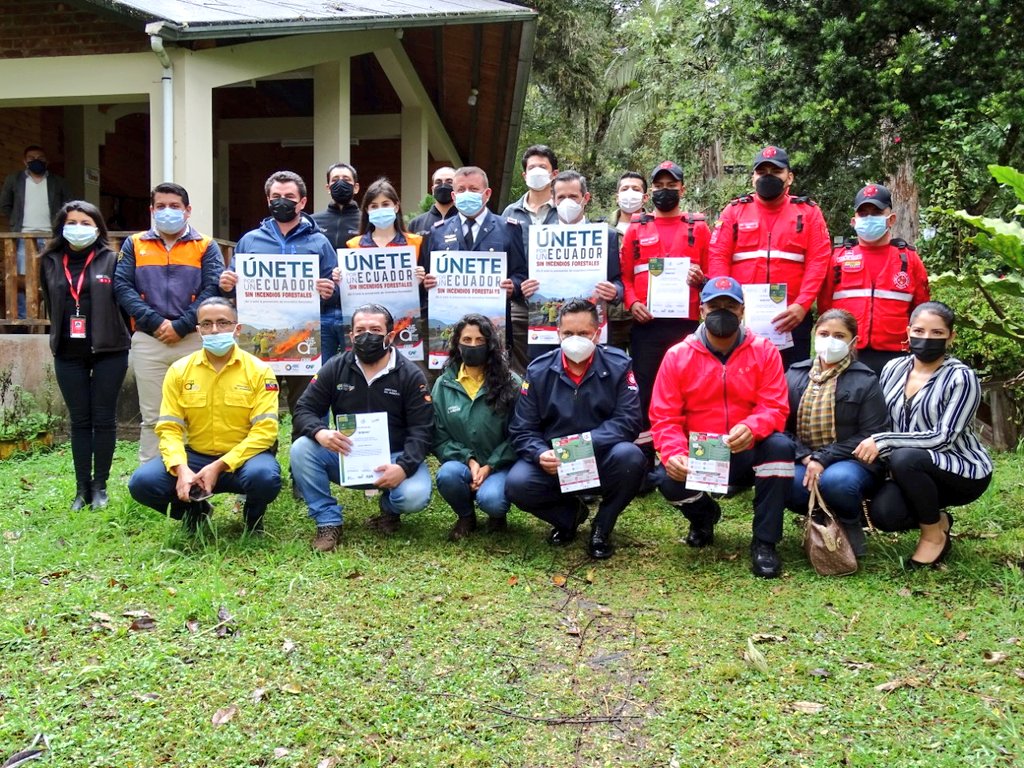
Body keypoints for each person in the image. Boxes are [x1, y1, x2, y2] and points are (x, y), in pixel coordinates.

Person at [650, 276, 793, 578]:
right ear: (701, 310)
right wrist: (674, 452)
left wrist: (753, 428)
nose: (723, 312)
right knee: (665, 477)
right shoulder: (678, 355)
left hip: (746, 449)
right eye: (715, 305)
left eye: (731, 306)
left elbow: (775, 406)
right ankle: (704, 518)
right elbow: (664, 416)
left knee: (780, 447)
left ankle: (764, 543)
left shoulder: (765, 351)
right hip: (700, 453)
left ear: (743, 311)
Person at [853, 301, 993, 568]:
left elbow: (944, 438)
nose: (926, 338)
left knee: (906, 458)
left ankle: (932, 535)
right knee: (885, 514)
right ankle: (939, 519)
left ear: (951, 337)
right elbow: (881, 419)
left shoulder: (961, 378)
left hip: (959, 469)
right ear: (908, 332)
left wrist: (883, 442)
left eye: (937, 333)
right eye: (919, 331)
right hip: (905, 468)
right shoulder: (893, 368)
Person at [127, 298, 282, 534]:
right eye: (207, 324)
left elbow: (266, 431)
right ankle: (194, 511)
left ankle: (253, 516)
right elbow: (169, 427)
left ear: (237, 329)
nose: (215, 330)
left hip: (244, 460)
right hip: (195, 457)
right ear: (198, 330)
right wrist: (181, 469)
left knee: (264, 477)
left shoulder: (260, 371)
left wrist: (219, 466)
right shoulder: (179, 371)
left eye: (223, 323)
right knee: (142, 484)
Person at [506, 299, 644, 559]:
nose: (575, 339)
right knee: (517, 484)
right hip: (555, 460)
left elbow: (629, 420)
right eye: (568, 333)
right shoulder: (538, 371)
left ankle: (602, 526)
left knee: (631, 458)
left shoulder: (618, 365)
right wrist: (539, 454)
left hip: (601, 454)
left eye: (583, 333)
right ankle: (570, 516)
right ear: (558, 333)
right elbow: (522, 428)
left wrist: (584, 444)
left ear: (597, 333)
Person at [289, 303, 433, 551]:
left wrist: (404, 466)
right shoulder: (335, 367)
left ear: (390, 336)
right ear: (352, 335)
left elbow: (423, 428)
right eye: (361, 329)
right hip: (348, 456)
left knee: (414, 495)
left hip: (396, 456)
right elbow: (303, 409)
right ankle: (328, 521)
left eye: (375, 329)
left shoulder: (410, 374)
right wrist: (320, 432)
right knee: (302, 448)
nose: (367, 335)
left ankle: (389, 509)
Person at [114, 182, 224, 463]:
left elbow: (212, 289)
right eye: (161, 206)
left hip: (192, 340)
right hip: (149, 341)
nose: (167, 211)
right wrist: (155, 322)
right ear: (151, 210)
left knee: (195, 412)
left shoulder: (206, 245)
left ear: (187, 211)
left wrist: (181, 325)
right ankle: (151, 482)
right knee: (153, 416)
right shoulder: (135, 243)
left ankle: (195, 482)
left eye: (175, 206)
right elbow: (122, 287)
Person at [219, 170, 339, 414]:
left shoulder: (319, 242)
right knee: (257, 408)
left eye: (289, 196)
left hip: (305, 341)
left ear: (302, 202)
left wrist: (329, 290)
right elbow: (231, 290)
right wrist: (227, 283)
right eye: (276, 196)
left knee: (307, 407)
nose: (281, 201)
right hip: (261, 341)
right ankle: (260, 452)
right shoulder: (249, 241)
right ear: (268, 200)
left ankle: (304, 451)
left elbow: (337, 291)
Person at [620, 161, 710, 482]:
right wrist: (632, 303)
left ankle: (683, 456)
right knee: (644, 388)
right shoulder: (636, 228)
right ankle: (644, 457)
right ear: (651, 191)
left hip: (685, 326)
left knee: (686, 389)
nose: (665, 191)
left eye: (672, 186)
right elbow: (626, 276)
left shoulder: (698, 228)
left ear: (682, 190)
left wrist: (702, 279)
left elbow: (713, 278)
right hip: (647, 324)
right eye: (659, 186)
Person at [39, 201, 131, 511]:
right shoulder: (49, 261)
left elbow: (123, 301)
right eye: (72, 222)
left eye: (85, 222)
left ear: (97, 228)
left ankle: (100, 487)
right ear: (61, 227)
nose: (78, 228)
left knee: (103, 419)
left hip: (110, 350)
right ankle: (81, 488)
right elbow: (50, 302)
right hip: (67, 351)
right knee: (79, 421)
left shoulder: (112, 259)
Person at [707, 145, 832, 367]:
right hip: (741, 318)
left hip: (792, 319)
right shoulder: (734, 211)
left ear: (789, 177)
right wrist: (727, 303)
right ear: (753, 177)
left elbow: (819, 261)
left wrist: (802, 305)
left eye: (776, 171)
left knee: (791, 387)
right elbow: (718, 257)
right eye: (762, 171)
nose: (768, 176)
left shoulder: (808, 212)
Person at [783, 309, 888, 558]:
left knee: (836, 482)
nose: (831, 340)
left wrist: (824, 457)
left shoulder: (865, 379)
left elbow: (873, 431)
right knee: (784, 482)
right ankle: (820, 517)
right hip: (806, 458)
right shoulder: (795, 374)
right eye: (824, 333)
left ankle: (849, 521)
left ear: (853, 341)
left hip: (852, 460)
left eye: (840, 336)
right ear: (814, 335)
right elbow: (780, 426)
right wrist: (806, 455)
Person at [818, 183, 930, 375]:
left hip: (895, 355)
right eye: (863, 213)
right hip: (847, 352)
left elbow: (921, 310)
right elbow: (825, 307)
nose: (869, 217)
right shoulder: (838, 258)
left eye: (876, 212)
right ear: (854, 221)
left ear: (891, 219)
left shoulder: (909, 259)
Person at [424, 166, 527, 368]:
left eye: (473, 189)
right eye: (461, 190)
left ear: (487, 194)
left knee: (495, 384)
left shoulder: (508, 229)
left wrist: (512, 286)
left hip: (493, 326)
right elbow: (428, 276)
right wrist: (427, 282)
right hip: (451, 326)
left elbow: (521, 274)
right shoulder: (438, 232)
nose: (467, 194)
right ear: (453, 196)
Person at [432, 313, 521, 540]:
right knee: (447, 475)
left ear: (491, 344)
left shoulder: (511, 382)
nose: (473, 345)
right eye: (467, 340)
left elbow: (519, 433)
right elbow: (438, 435)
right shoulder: (443, 384)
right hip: (463, 465)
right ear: (457, 344)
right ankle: (465, 516)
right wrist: (469, 461)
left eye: (480, 340)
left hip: (500, 466)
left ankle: (496, 515)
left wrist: (490, 465)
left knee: (492, 500)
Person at [520, 170, 623, 360]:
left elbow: (618, 281)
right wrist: (525, 289)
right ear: (553, 199)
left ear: (586, 198)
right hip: (547, 339)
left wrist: (614, 291)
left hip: (591, 335)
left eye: (573, 196)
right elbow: (526, 281)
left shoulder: (605, 236)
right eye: (561, 197)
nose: (567, 202)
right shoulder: (539, 237)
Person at [502, 146, 559, 372]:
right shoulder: (509, 213)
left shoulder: (565, 209)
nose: (537, 171)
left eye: (542, 167)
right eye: (532, 167)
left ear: (554, 173)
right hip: (519, 303)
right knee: (519, 366)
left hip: (556, 302)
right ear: (524, 175)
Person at [1, 145, 72, 318]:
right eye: (31, 158)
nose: (36, 161)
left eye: (40, 157)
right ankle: (24, 320)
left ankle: (52, 319)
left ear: (46, 160)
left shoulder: (58, 181)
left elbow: (69, 205)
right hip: (23, 237)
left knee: (54, 278)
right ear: (24, 161)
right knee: (22, 280)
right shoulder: (14, 180)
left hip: (51, 236)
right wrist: (16, 222)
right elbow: (5, 204)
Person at [312, 162, 361, 249]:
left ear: (356, 188)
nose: (340, 183)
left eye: (346, 180)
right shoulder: (312, 222)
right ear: (328, 188)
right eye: (335, 180)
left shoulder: (366, 221)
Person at [408, 166, 458, 236]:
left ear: (458, 187)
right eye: (438, 182)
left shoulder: (464, 221)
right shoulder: (416, 223)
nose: (443, 185)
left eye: (449, 182)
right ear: (432, 189)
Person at [609, 171, 648, 236]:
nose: (629, 192)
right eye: (624, 189)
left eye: (636, 189)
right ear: (617, 198)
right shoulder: (604, 227)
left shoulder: (655, 225)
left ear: (645, 198)